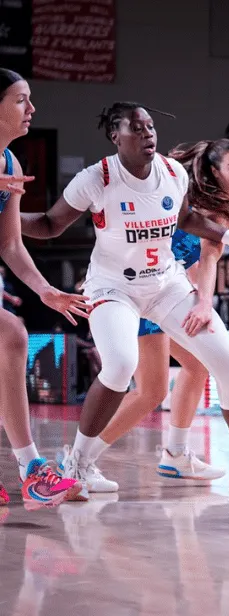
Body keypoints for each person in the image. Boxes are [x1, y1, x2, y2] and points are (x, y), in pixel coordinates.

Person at [19, 101, 229, 498]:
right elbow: (48, 225)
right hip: (114, 288)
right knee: (122, 366)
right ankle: (77, 464)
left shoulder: (173, 172)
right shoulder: (96, 178)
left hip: (166, 286)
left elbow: (186, 220)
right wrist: (7, 216)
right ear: (115, 136)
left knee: (227, 365)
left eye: (151, 127)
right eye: (137, 128)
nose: (148, 134)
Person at [74, 139, 229, 492]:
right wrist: (203, 304)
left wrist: (202, 303)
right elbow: (205, 262)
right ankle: (83, 457)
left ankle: (174, 453)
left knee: (188, 371)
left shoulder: (212, 203)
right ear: (214, 172)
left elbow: (205, 261)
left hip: (164, 293)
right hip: (141, 292)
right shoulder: (193, 198)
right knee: (151, 391)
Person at [0, 68, 84, 508]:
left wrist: (45, 289)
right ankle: (30, 466)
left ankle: (32, 471)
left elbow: (11, 244)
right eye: (20, 99)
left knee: (12, 337)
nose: (31, 109)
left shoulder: (11, 163)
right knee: (11, 333)